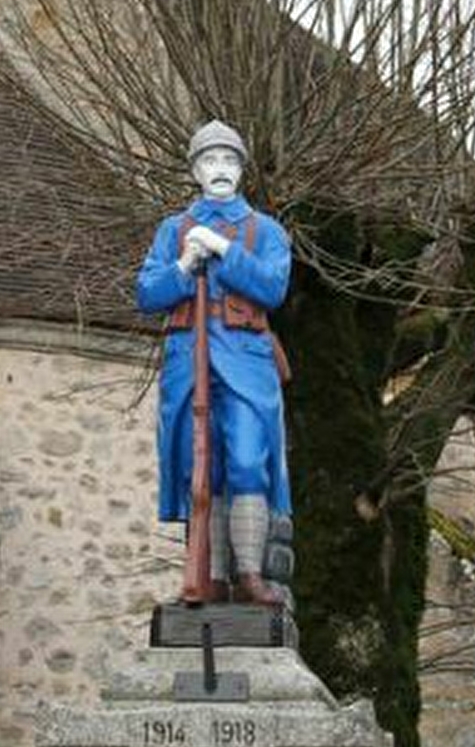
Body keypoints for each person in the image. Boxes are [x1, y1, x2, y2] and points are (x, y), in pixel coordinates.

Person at [136, 120, 292, 605]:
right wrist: (184, 264)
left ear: (241, 170)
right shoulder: (173, 230)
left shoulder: (264, 230)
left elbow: (271, 287)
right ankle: (210, 576)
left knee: (248, 460)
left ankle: (250, 573)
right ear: (196, 171)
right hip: (189, 362)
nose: (220, 169)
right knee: (200, 470)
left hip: (246, 363)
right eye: (210, 161)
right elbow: (147, 293)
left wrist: (223, 249)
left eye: (229, 161)